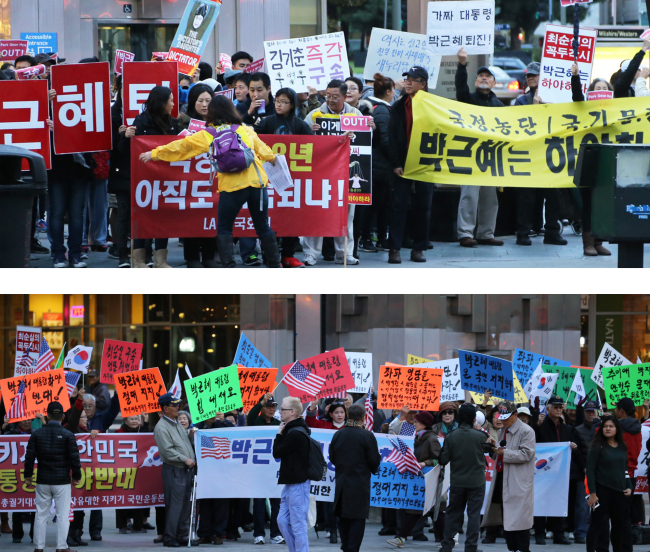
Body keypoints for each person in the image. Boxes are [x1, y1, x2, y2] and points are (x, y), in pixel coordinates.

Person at [138, 95, 281, 268]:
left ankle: (228, 267)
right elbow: (265, 151)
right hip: (257, 185)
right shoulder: (245, 129)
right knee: (263, 227)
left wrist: (154, 154)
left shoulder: (208, 134)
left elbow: (182, 147)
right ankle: (275, 265)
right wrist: (274, 158)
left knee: (224, 229)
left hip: (231, 188)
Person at [303, 79, 361, 266]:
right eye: (328, 96)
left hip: (346, 172)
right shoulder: (315, 114)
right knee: (315, 211)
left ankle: (344, 253)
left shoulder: (355, 114)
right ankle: (311, 253)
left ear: (345, 97)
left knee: (346, 213)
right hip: (320, 172)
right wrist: (309, 131)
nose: (330, 100)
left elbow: (367, 140)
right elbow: (302, 141)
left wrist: (368, 128)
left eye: (335, 96)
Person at [254, 87, 312, 268]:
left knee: (291, 217)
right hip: (268, 177)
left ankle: (288, 255)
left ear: (292, 104)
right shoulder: (267, 122)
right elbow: (252, 139)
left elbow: (316, 145)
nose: (279, 105)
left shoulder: (300, 124)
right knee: (270, 218)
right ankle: (270, 256)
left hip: (293, 180)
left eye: (284, 102)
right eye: (277, 100)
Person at [454, 48, 504, 249]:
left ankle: (486, 233)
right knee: (469, 195)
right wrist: (462, 65)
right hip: (470, 155)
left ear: (494, 83)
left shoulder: (499, 105)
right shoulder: (468, 99)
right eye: (480, 76)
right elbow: (460, 87)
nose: (483, 79)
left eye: (488, 76)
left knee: (490, 198)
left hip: (491, 157)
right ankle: (465, 233)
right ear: (475, 82)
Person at [127, 86, 179, 267]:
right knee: (142, 218)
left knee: (162, 217)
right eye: (171, 100)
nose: (173, 104)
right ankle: (138, 260)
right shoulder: (140, 122)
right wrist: (126, 137)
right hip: (144, 178)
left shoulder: (173, 122)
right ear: (162, 102)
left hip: (165, 177)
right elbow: (127, 151)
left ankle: (160, 260)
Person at [386, 66, 434, 264]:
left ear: (423, 84)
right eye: (407, 79)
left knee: (422, 207)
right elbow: (392, 138)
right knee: (398, 206)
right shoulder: (397, 107)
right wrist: (396, 163)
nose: (408, 82)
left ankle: (418, 248)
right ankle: (394, 249)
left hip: (425, 164)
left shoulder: (433, 106)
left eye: (413, 80)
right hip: (403, 164)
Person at [24, 401, 82, 552]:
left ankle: (38, 547)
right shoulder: (68, 435)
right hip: (62, 481)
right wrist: (76, 476)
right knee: (63, 515)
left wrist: (28, 476)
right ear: (63, 417)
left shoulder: (36, 434)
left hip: (43, 480)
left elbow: (29, 457)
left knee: (41, 514)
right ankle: (62, 547)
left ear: (47, 416)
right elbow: (74, 458)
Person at [570, 63, 613, 257]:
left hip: (606, 159)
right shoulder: (583, 106)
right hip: (588, 158)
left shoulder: (615, 109)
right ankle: (587, 242)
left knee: (602, 202)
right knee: (588, 203)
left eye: (605, 89)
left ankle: (598, 241)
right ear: (591, 92)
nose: (602, 91)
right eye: (598, 89)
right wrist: (576, 76)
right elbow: (577, 95)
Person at [439, 403, 494, 552]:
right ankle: (471, 547)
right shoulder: (482, 436)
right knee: (474, 515)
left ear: (458, 417)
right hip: (477, 482)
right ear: (474, 419)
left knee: (452, 514)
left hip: (457, 481)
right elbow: (494, 452)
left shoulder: (451, 436)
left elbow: (443, 460)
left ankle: (447, 546)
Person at [482, 401, 536, 552]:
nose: (502, 420)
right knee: (507, 517)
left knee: (519, 520)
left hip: (518, 482)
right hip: (502, 478)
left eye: (506, 417)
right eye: (501, 417)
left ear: (515, 415)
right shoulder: (502, 431)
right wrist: (492, 448)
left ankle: (522, 549)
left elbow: (526, 454)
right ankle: (512, 548)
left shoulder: (527, 431)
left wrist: (503, 453)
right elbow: (499, 454)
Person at [177, 83, 220, 268]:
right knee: (190, 216)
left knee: (211, 215)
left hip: (212, 177)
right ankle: (192, 256)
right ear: (192, 101)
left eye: (208, 101)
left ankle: (210, 255)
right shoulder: (182, 122)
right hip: (189, 178)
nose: (204, 105)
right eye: (200, 100)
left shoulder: (220, 122)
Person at [329, 404, 381, 552]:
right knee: (357, 518)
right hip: (360, 482)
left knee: (343, 516)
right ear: (364, 417)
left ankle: (345, 545)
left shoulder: (338, 434)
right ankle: (352, 548)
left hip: (342, 481)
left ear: (347, 415)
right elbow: (374, 460)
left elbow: (332, 457)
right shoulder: (367, 435)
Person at [533, 395, 584, 545]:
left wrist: (573, 447)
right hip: (543, 472)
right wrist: (536, 422)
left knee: (559, 502)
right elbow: (533, 441)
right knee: (541, 501)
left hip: (561, 473)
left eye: (560, 407)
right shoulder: (540, 426)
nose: (558, 409)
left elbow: (577, 448)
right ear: (548, 409)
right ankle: (540, 534)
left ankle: (558, 534)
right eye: (555, 407)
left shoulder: (567, 428)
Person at [386, 411, 441, 547]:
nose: (414, 423)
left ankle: (445, 540)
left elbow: (439, 459)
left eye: (417, 421)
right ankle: (401, 538)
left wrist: (425, 463)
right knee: (415, 508)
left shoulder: (431, 439)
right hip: (418, 480)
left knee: (436, 511)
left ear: (425, 424)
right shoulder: (417, 437)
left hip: (429, 480)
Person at [153, 392, 198, 548]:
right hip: (175, 469)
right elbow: (167, 451)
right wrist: (185, 459)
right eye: (174, 405)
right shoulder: (161, 427)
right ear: (165, 408)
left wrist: (191, 436)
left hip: (185, 469)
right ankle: (170, 536)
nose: (178, 407)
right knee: (175, 505)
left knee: (185, 504)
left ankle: (181, 534)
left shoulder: (175, 423)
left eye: (178, 404)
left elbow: (183, 443)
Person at [586, 415, 634, 552]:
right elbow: (590, 471)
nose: (608, 428)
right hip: (601, 491)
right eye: (605, 426)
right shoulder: (596, 446)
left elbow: (624, 470)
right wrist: (593, 494)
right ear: (601, 428)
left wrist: (629, 486)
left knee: (618, 526)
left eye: (611, 426)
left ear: (616, 429)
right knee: (597, 525)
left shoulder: (622, 447)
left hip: (619, 493)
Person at [272, 397, 311, 552]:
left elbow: (276, 452)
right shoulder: (293, 429)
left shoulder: (295, 433)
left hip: (298, 484)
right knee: (282, 521)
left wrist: (279, 433)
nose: (279, 412)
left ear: (293, 412)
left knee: (298, 525)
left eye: (283, 409)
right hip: (290, 483)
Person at [362, 73, 395, 253]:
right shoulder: (382, 110)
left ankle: (377, 238)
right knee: (376, 206)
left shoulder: (375, 107)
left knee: (378, 205)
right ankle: (368, 238)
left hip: (376, 166)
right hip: (379, 167)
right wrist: (395, 159)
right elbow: (384, 140)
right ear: (389, 92)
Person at [608, 397, 642, 552]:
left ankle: (621, 548)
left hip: (617, 476)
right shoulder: (637, 428)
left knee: (617, 518)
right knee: (625, 516)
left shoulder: (619, 429)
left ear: (621, 411)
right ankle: (626, 548)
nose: (615, 412)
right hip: (631, 476)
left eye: (616, 409)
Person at [108, 75, 133, 268]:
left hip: (142, 167)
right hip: (121, 169)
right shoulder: (113, 114)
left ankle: (142, 252)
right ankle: (121, 250)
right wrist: (119, 136)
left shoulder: (145, 115)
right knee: (121, 209)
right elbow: (108, 146)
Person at [115, 416, 149, 534]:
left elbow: (148, 439)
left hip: (139, 469)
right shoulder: (118, 433)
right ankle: (122, 525)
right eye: (131, 419)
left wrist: (146, 422)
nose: (134, 421)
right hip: (123, 469)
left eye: (136, 419)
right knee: (121, 497)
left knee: (139, 497)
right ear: (125, 421)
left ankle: (138, 525)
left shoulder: (142, 431)